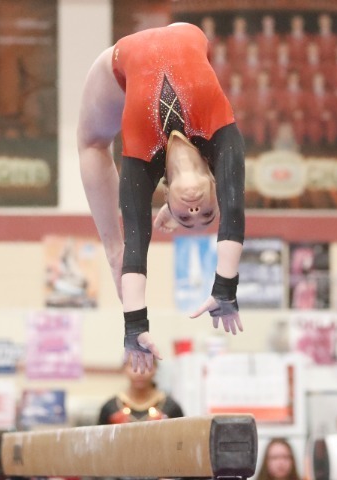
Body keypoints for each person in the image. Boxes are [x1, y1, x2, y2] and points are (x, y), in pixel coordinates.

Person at [77, 23, 245, 373]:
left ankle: (110, 253)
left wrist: (135, 326)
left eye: (187, 217)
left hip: (120, 67)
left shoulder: (141, 160)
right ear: (217, 184)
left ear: (166, 195)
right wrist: (225, 289)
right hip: (189, 37)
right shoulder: (221, 134)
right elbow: (235, 217)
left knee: (92, 145)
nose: (196, 211)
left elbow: (139, 250)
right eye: (206, 213)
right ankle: (116, 256)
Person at [98, 361, 184, 425]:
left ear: (155, 368)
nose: (140, 372)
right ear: (124, 369)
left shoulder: (171, 408)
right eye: (133, 365)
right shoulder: (110, 408)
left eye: (146, 365)